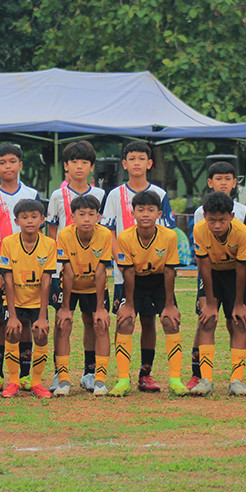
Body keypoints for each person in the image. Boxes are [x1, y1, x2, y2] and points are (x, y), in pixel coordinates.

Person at [101, 140, 175, 393]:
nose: (136, 163)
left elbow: (167, 231)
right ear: (124, 163)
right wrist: (120, 260)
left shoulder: (161, 195)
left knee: (149, 321)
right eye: (131, 158)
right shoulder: (114, 195)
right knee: (125, 320)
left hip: (154, 272)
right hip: (126, 271)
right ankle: (123, 377)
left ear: (149, 163)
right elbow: (109, 231)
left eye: (141, 159)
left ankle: (146, 374)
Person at [108, 190, 185, 397]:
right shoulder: (125, 237)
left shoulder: (169, 236)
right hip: (135, 283)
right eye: (140, 209)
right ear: (132, 213)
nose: (145, 214)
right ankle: (123, 380)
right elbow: (128, 271)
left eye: (151, 210)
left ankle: (173, 380)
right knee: (125, 321)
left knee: (169, 321)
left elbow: (170, 271)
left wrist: (169, 304)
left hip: (159, 282)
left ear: (159, 213)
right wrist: (130, 305)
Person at [0, 143, 41, 390]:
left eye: (12, 161)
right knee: (2, 320)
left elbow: (38, 233)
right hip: (1, 265)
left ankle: (25, 374)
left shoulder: (32, 194)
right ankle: (1, 373)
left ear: (20, 165)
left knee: (25, 320)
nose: (8, 166)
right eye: (2, 163)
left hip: (28, 267)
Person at [47, 140, 106, 391]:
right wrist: (51, 271)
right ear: (66, 166)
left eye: (84, 162)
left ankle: (90, 372)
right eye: (74, 162)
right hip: (64, 270)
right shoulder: (57, 195)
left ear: (92, 167)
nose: (79, 167)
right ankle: (59, 374)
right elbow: (51, 233)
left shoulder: (102, 195)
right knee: (63, 321)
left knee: (92, 320)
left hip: (91, 270)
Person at [186, 160, 246, 389]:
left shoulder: (242, 232)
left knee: (238, 322)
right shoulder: (200, 229)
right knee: (207, 320)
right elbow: (203, 265)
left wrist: (240, 303)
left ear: (232, 216)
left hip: (234, 276)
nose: (216, 225)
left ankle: (237, 380)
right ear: (204, 216)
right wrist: (211, 302)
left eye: (222, 220)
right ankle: (206, 379)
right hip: (210, 275)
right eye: (211, 220)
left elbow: (242, 268)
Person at [0, 199, 58, 399]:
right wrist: (12, 315)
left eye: (34, 217)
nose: (29, 221)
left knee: (41, 334)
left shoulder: (49, 244)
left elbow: (46, 281)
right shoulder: (8, 243)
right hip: (14, 301)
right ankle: (14, 381)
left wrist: (42, 316)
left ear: (42, 219)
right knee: (12, 332)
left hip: (36, 302)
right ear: (16, 221)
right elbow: (7, 280)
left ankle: (36, 382)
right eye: (24, 217)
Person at [55, 194, 113, 396]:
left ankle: (97, 377)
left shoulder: (105, 235)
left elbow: (100, 272)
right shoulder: (64, 235)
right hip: (70, 285)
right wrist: (65, 308)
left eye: (91, 214)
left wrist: (100, 308)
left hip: (94, 286)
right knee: (63, 324)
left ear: (99, 216)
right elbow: (68, 271)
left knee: (98, 323)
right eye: (82, 214)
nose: (87, 219)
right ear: (73, 217)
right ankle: (62, 379)